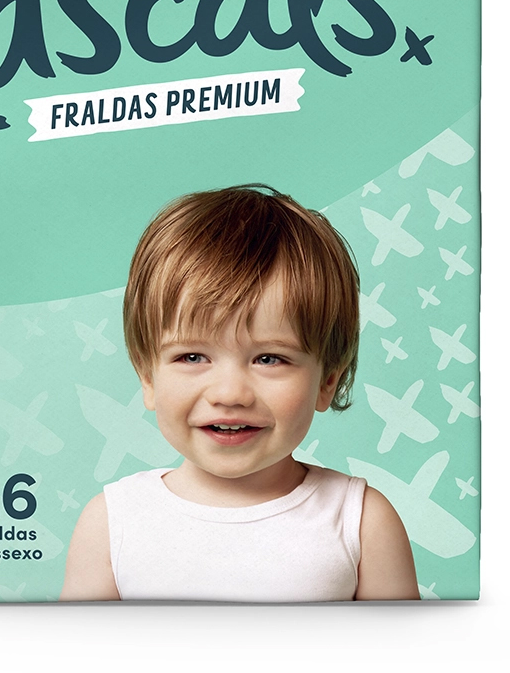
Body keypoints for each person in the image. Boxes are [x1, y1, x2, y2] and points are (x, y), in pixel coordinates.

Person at [61, 184, 418, 601]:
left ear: (327, 381)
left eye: (269, 359)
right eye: (192, 357)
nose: (230, 394)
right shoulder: (112, 522)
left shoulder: (361, 522)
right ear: (148, 377)